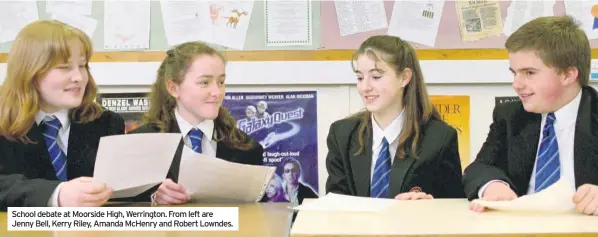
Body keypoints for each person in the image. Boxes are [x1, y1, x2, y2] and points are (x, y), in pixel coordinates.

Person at [463, 16, 598, 216]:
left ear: (568, 75)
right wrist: (493, 185)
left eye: (529, 73)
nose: (517, 84)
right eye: (514, 73)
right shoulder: (510, 116)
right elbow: (479, 168)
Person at [0, 20, 124, 210]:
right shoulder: (4, 120)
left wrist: (154, 190)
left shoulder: (106, 123)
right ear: (29, 71)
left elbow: (119, 187)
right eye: (64, 67)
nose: (79, 78)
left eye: (82, 66)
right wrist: (56, 194)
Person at [325, 35, 464, 200]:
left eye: (376, 77)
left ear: (404, 78)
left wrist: (429, 206)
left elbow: (453, 207)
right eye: (360, 78)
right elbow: (335, 206)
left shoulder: (439, 138)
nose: (365, 87)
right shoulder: (342, 135)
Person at [128, 41, 264, 204]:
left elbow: (257, 215)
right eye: (204, 82)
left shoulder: (247, 148)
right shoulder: (140, 143)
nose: (217, 92)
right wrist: (154, 198)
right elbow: (121, 206)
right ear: (173, 88)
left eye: (221, 82)